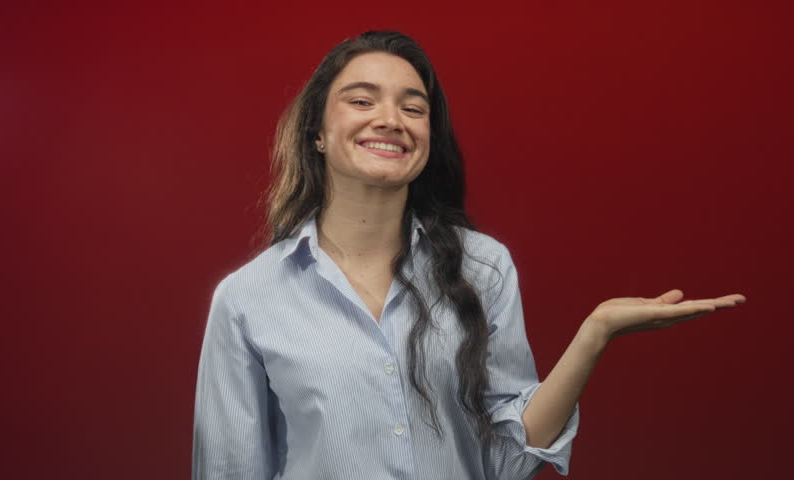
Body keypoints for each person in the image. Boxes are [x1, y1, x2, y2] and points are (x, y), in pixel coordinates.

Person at [191, 30, 746, 480]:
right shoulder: (247, 300)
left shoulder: (484, 268)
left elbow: (508, 462)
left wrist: (594, 333)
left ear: (428, 137)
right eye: (362, 100)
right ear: (317, 131)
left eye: (414, 107)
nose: (390, 119)